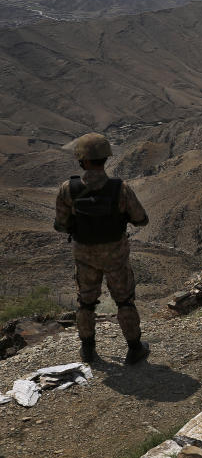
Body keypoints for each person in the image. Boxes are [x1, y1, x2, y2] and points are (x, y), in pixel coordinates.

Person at [54, 133, 150, 365]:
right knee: (124, 301)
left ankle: (88, 350)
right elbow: (141, 219)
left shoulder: (68, 189)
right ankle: (134, 349)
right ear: (105, 159)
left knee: (86, 302)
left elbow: (61, 225)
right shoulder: (121, 189)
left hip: (84, 256)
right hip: (116, 256)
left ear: (82, 160)